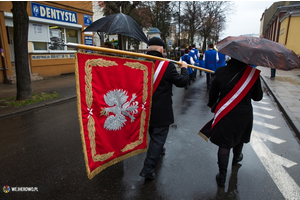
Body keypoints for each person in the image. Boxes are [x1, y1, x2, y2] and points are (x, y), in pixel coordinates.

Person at [206, 58, 263, 187]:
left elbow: (213, 92)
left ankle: (222, 177)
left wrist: (211, 105)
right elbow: (258, 97)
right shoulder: (253, 74)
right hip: (244, 113)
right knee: (240, 136)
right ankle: (236, 159)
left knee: (225, 143)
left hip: (226, 113)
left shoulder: (221, 71)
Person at [139, 37, 189, 180]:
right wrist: (184, 69)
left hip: (144, 108)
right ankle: (148, 169)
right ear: (162, 50)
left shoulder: (141, 62)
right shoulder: (167, 65)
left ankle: (158, 150)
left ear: (148, 49)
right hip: (161, 110)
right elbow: (182, 82)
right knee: (158, 138)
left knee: (153, 134)